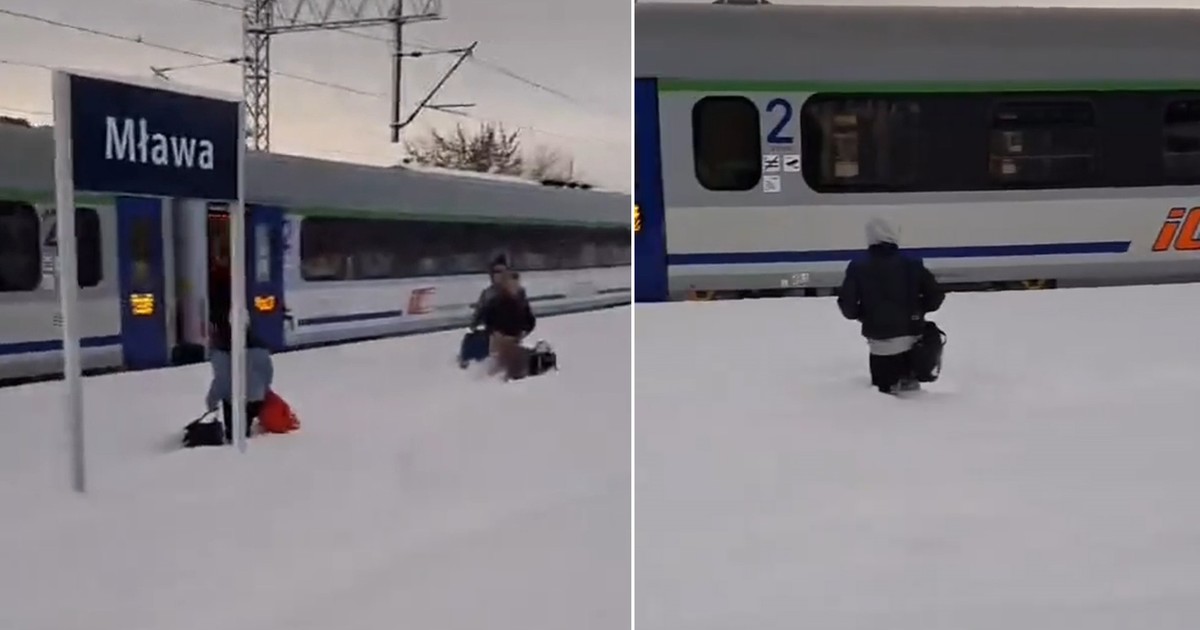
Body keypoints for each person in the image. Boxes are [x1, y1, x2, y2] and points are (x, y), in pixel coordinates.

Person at [837, 216, 945, 395]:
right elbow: (935, 296)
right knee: (913, 398)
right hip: (913, 341)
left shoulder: (858, 266)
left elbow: (848, 306)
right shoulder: (912, 263)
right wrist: (919, 310)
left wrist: (864, 315)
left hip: (880, 345)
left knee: (884, 397)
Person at [205, 260, 275, 442]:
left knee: (231, 398)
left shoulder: (221, 351)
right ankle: (244, 430)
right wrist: (263, 391)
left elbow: (221, 382)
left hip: (237, 402)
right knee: (245, 400)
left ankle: (234, 436)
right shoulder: (260, 345)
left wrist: (211, 403)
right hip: (257, 400)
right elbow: (268, 374)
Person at [478, 270, 537, 380]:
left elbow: (531, 321)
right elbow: (487, 319)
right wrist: (496, 334)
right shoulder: (496, 302)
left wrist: (524, 331)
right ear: (505, 284)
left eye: (516, 283)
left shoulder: (521, 302)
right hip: (500, 341)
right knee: (508, 363)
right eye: (511, 283)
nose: (515, 286)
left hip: (514, 340)